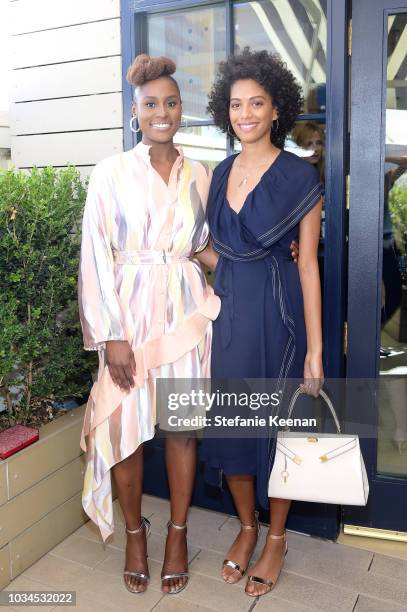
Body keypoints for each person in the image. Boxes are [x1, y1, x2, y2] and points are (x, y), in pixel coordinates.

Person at [78, 54, 220, 596]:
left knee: (182, 429)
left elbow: (202, 248)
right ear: (135, 112)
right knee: (125, 433)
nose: (162, 112)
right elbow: (95, 255)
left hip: (184, 316)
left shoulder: (200, 174)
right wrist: (111, 333)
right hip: (129, 322)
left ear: (181, 109)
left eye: (171, 102)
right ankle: (136, 535)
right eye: (150, 104)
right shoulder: (111, 172)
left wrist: (248, 278)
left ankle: (178, 534)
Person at [202, 48, 324, 598]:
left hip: (279, 320)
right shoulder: (220, 172)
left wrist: (315, 352)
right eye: (235, 104)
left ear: (277, 109)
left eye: (257, 103)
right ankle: (246, 526)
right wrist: (176, 258)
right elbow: (220, 255)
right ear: (224, 110)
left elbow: (310, 266)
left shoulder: (300, 175)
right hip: (228, 318)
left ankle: (276, 536)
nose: (245, 113)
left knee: (276, 430)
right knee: (233, 429)